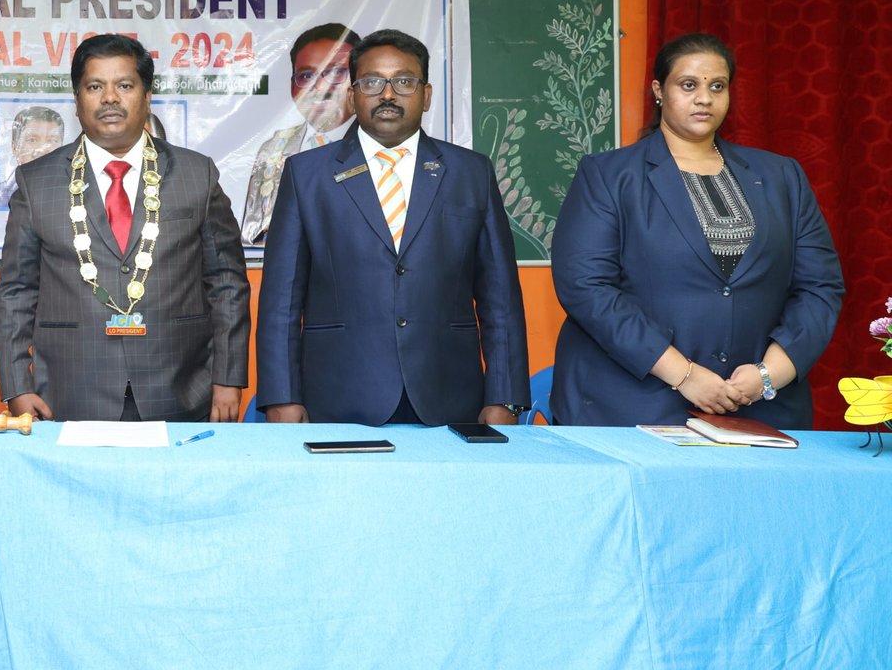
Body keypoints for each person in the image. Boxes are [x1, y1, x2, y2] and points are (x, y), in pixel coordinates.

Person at [551, 33, 843, 428]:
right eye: (689, 85)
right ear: (659, 90)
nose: (704, 98)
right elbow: (586, 287)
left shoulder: (782, 176)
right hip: (631, 403)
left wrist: (768, 375)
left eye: (717, 86)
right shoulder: (608, 175)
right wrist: (684, 375)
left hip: (758, 406)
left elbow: (820, 286)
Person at [257, 28, 529, 426]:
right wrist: (281, 396)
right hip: (338, 396)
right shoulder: (306, 175)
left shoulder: (471, 173)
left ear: (427, 95)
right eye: (372, 82)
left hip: (449, 395)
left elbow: (499, 297)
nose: (388, 95)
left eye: (404, 82)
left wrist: (505, 397)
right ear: (352, 96)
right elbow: (281, 300)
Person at [0, 34, 251, 422]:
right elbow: (16, 291)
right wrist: (17, 385)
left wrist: (228, 377)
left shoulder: (196, 174)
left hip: (180, 388)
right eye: (95, 87)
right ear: (77, 100)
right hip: (71, 392)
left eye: (125, 86)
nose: (110, 98)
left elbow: (227, 281)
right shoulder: (36, 182)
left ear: (147, 97)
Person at [240, 22, 362, 243]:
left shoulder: (379, 145)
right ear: (291, 85)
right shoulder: (273, 149)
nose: (320, 87)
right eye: (306, 76)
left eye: (336, 72)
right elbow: (253, 237)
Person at [0, 105, 64, 208]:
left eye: (52, 140)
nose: (42, 149)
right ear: (15, 147)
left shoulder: (75, 194)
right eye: (32, 140)